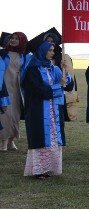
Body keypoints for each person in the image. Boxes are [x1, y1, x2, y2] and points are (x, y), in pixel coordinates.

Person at [22, 41, 65, 179]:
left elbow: (67, 85)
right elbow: (39, 90)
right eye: (50, 50)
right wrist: (59, 86)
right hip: (38, 109)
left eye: (53, 50)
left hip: (53, 110)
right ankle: (39, 170)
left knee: (52, 139)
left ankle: (49, 168)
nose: (53, 53)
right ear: (42, 51)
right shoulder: (32, 69)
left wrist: (66, 73)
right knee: (40, 138)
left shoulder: (53, 68)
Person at [0, 31, 28, 151]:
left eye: (17, 38)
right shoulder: (2, 53)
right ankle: (3, 142)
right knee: (4, 115)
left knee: (15, 115)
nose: (13, 40)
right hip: (4, 86)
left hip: (17, 89)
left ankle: (12, 141)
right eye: (12, 38)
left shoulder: (24, 55)